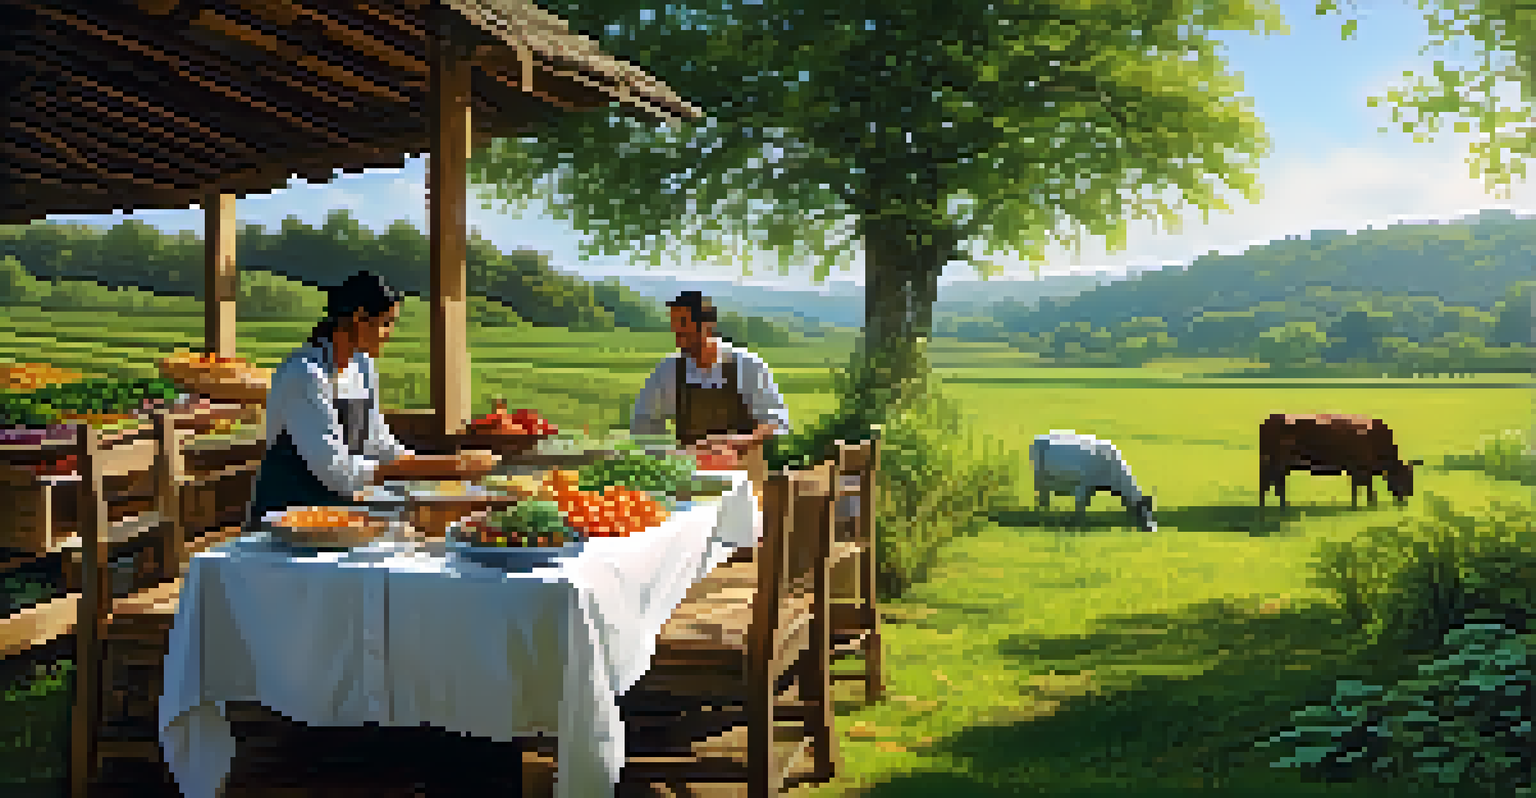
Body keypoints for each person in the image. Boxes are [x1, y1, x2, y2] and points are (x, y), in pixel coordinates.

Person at [247, 271, 498, 525]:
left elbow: (379, 445)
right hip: (284, 518)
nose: (389, 333)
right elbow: (338, 472)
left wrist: (449, 466)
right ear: (359, 318)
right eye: (387, 322)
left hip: (335, 514)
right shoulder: (305, 374)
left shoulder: (362, 366)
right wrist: (449, 467)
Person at [630, 291, 791, 500]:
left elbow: (776, 422)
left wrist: (734, 442)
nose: (676, 331)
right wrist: (669, 455)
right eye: (674, 323)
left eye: (683, 323)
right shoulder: (668, 370)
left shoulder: (748, 366)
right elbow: (644, 423)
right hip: (691, 485)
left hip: (746, 484)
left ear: (707, 325)